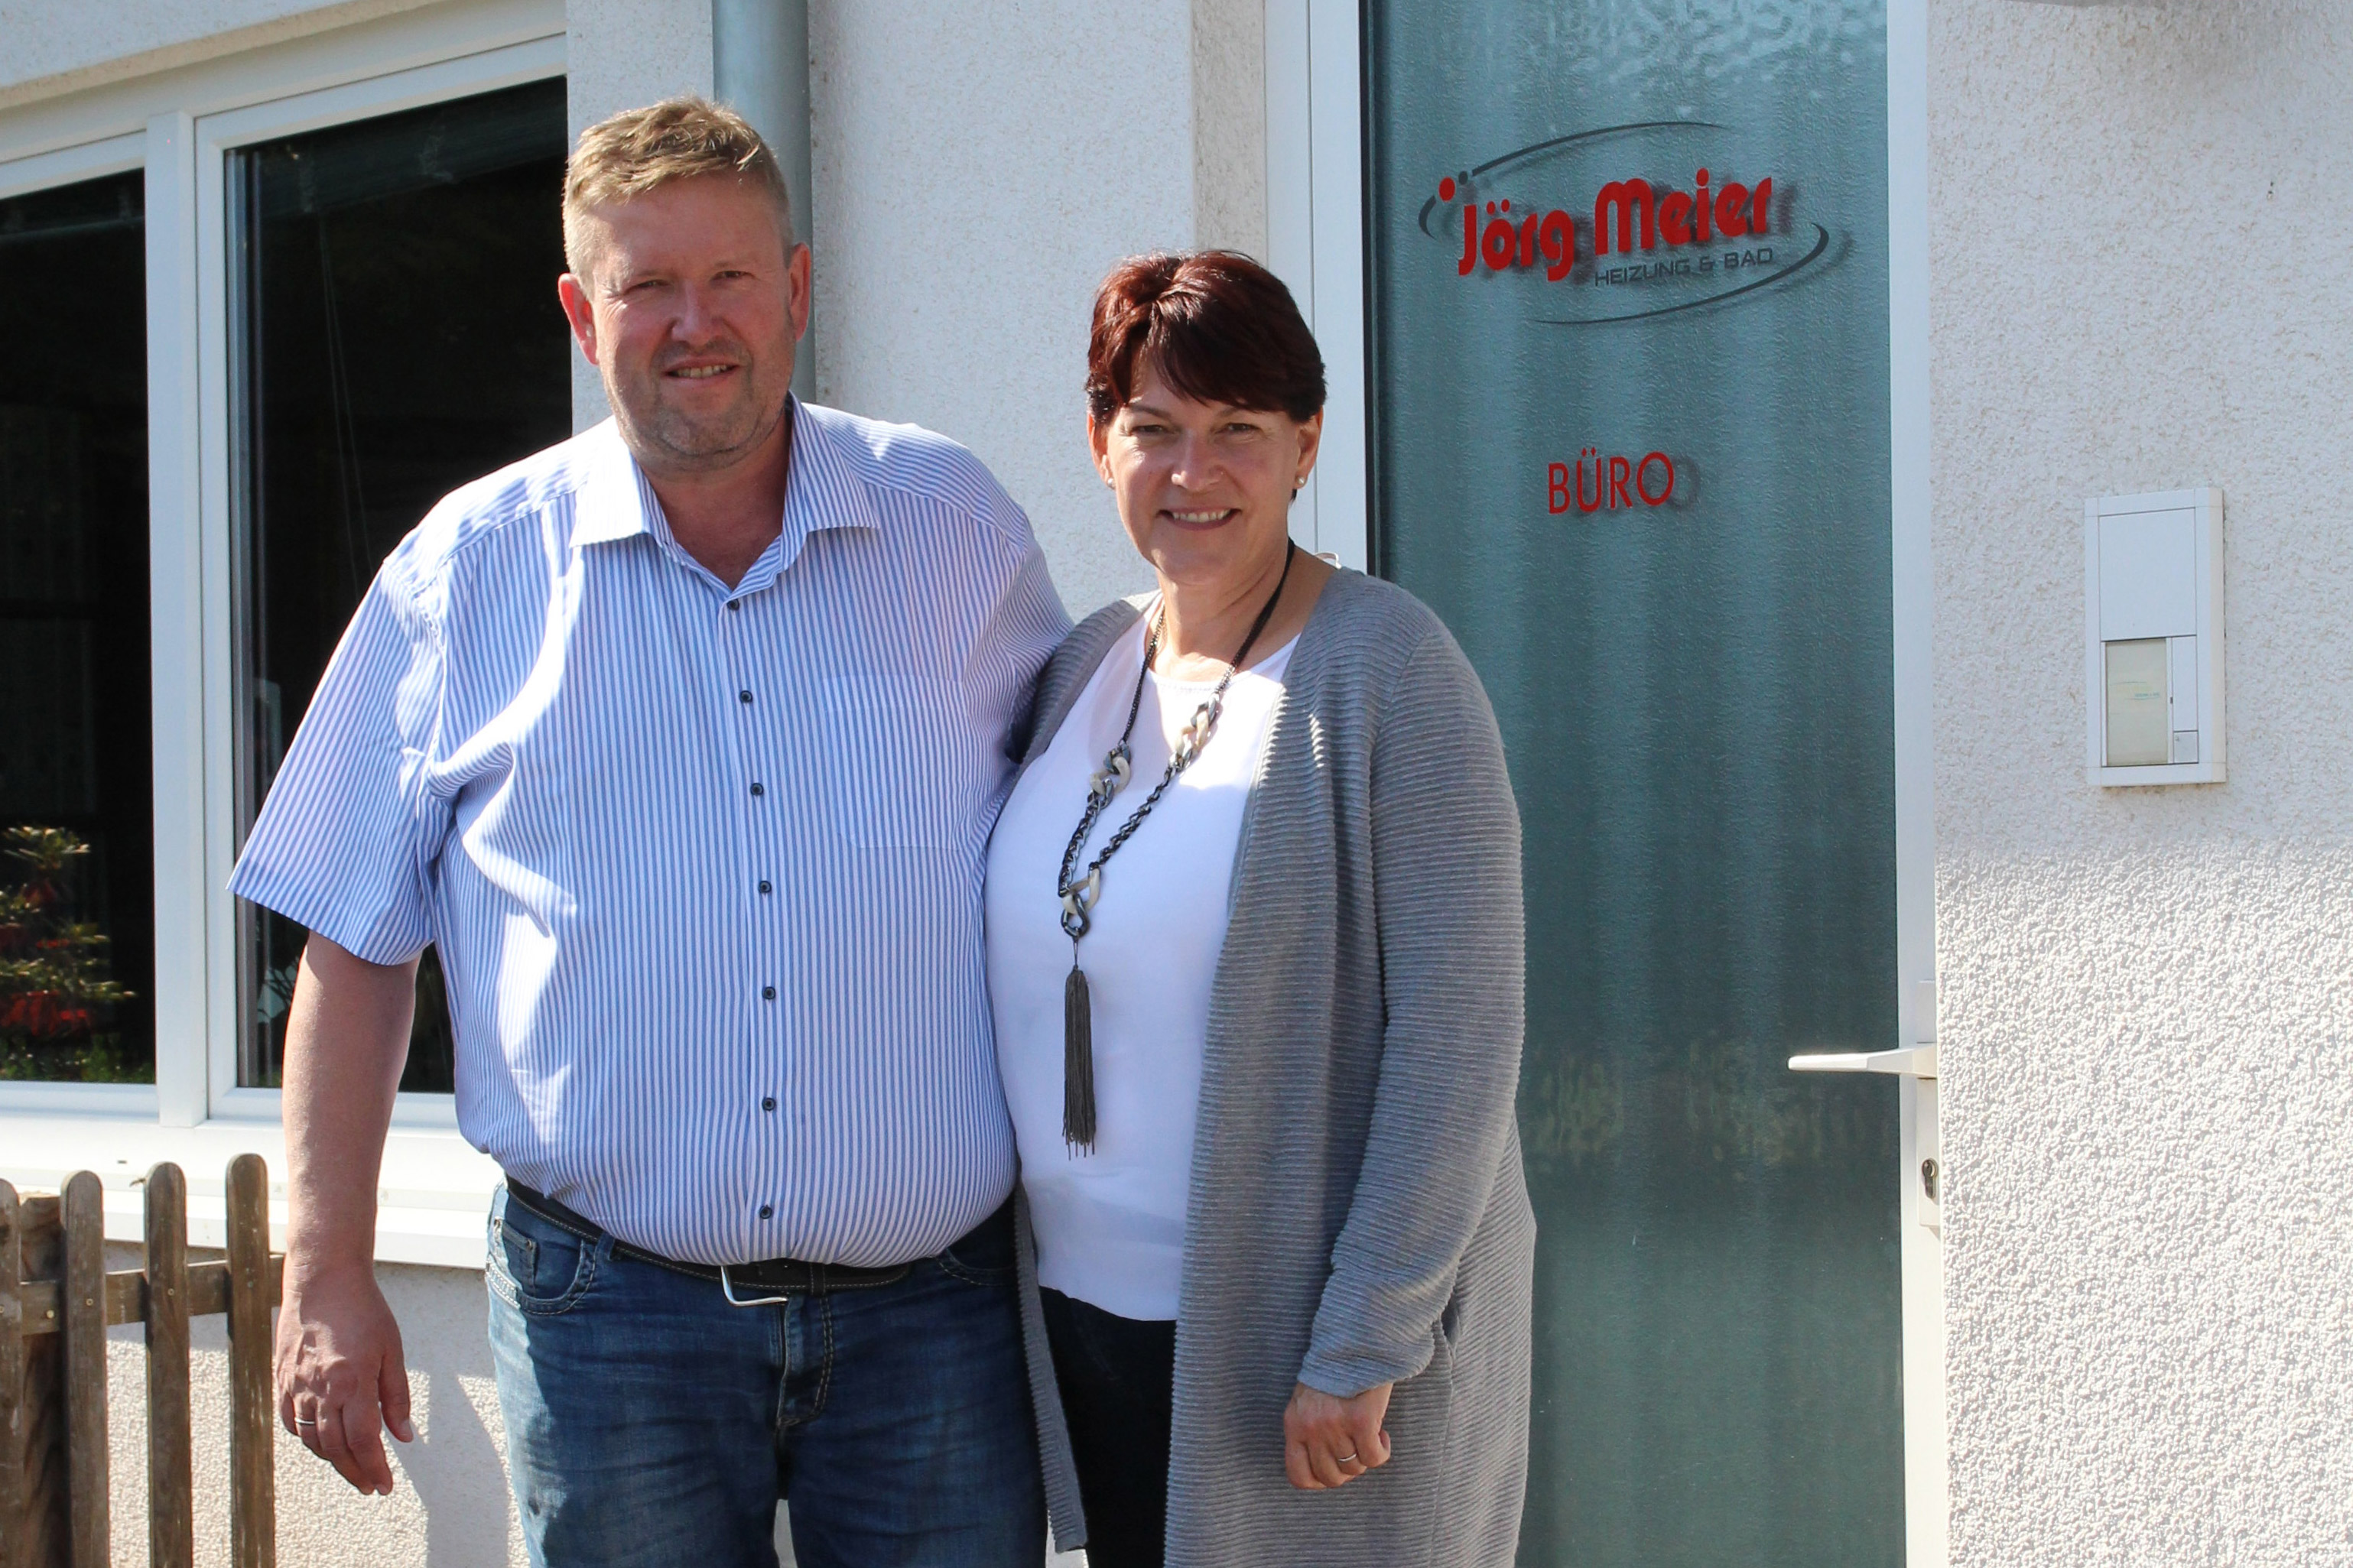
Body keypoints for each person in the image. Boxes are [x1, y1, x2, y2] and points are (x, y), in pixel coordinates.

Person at [232, 98, 1068, 1568]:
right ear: (579, 311)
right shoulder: (465, 573)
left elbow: (1080, 864)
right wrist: (325, 1274)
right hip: (608, 1322)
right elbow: (354, 941)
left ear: (796, 289)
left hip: (932, 1321)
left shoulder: (957, 529)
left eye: (732, 278)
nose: (697, 324)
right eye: (647, 286)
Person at [986, 250, 1535, 1567]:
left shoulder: (1390, 668)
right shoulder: (1082, 665)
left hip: (1299, 1340)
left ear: (1306, 445)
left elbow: (1458, 1040)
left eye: (1238, 431)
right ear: (1097, 440)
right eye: (1154, 430)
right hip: (1083, 1321)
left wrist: (1365, 1337)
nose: (1193, 472)